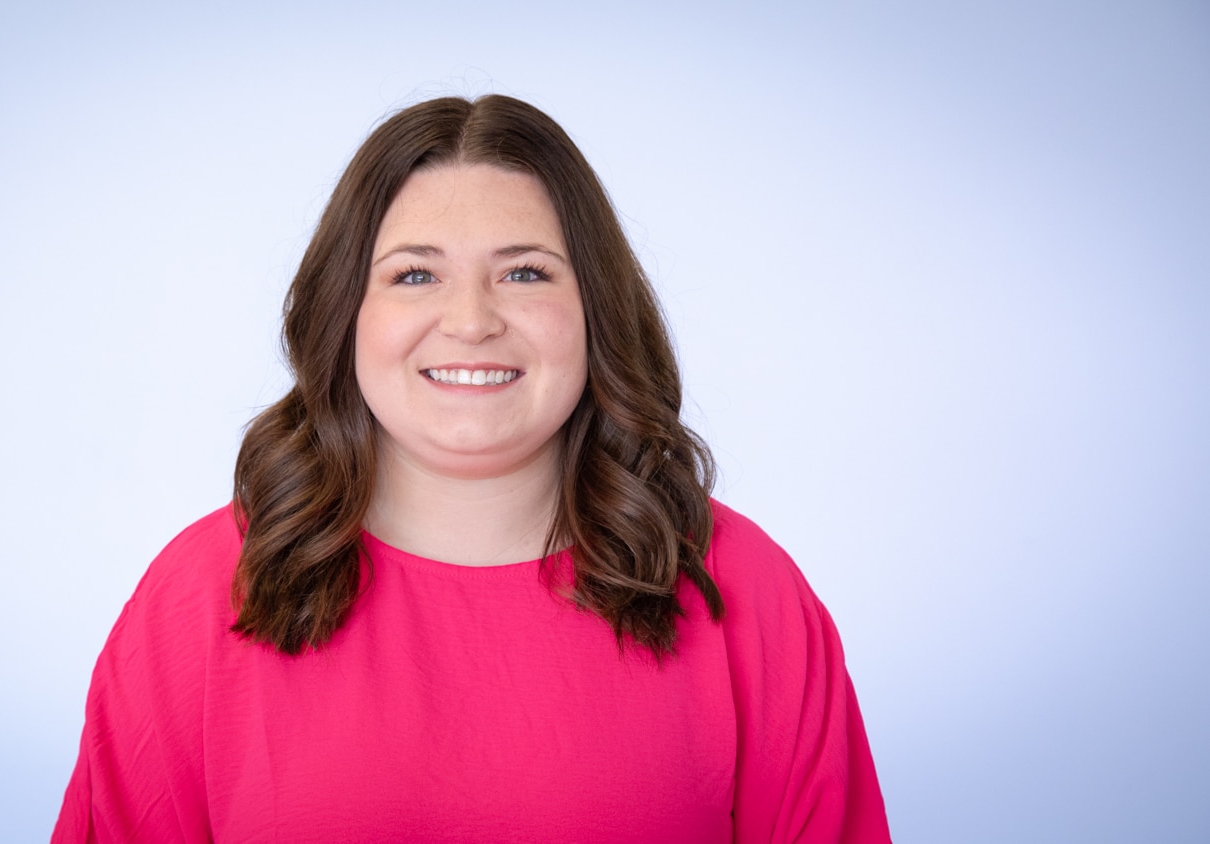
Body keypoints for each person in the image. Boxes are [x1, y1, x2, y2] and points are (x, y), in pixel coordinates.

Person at [53, 94, 890, 843]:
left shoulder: (746, 591)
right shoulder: (200, 596)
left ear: (596, 311)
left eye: (524, 273)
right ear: (346, 314)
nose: (471, 321)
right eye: (415, 274)